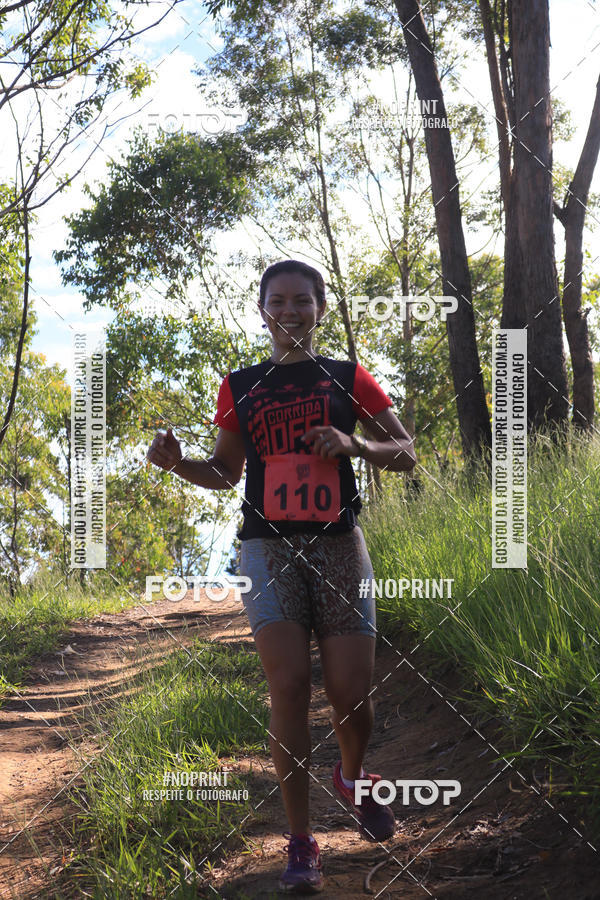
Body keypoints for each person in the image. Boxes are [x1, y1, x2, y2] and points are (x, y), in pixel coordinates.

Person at [147, 259, 417, 894]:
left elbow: (405, 452)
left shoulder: (349, 379)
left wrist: (355, 447)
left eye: (302, 300)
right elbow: (225, 473)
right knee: (290, 685)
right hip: (265, 548)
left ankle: (351, 776)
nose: (290, 311)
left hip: (338, 545)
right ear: (262, 309)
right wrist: (178, 464)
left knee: (352, 694)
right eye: (278, 301)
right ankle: (302, 841)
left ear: (319, 307)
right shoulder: (240, 386)